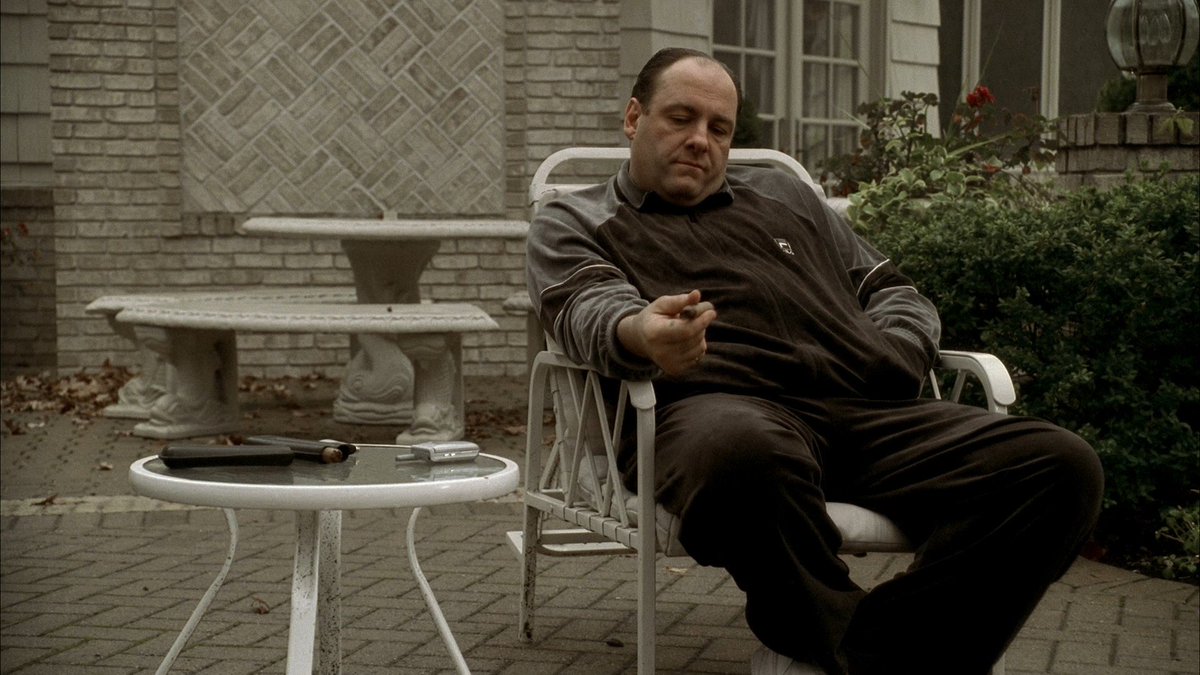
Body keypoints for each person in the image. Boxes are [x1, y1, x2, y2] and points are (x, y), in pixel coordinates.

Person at [525, 47, 1103, 675]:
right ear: (635, 117)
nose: (700, 140)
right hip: (716, 409)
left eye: (719, 128)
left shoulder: (785, 196)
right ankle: (876, 654)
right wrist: (641, 332)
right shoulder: (574, 218)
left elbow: (893, 290)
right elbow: (586, 307)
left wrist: (895, 350)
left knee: (1060, 468)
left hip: (865, 409)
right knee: (741, 452)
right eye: (680, 118)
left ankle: (865, 653)